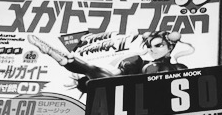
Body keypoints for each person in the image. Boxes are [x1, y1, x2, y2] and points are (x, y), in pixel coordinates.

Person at [28, 30, 194, 93]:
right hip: (125, 94)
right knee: (94, 71)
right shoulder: (137, 62)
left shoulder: (180, 68)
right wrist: (88, 79)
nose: (152, 50)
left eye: (158, 46)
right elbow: (112, 76)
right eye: (150, 46)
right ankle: (59, 56)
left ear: (170, 46)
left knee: (94, 71)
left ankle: (70, 61)